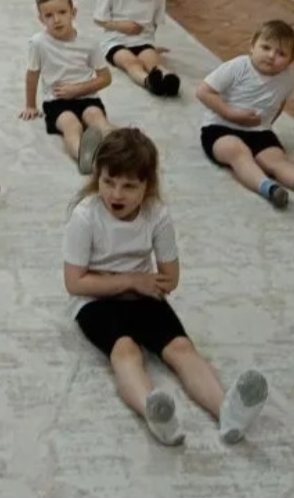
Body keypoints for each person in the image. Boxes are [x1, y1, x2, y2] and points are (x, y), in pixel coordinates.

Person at [63, 128, 269, 446]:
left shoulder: (157, 215)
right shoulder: (85, 216)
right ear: (97, 177)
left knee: (182, 349)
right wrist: (131, 280)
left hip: (143, 295)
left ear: (147, 186)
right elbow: (74, 282)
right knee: (126, 351)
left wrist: (147, 285)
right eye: (108, 182)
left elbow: (171, 277)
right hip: (95, 300)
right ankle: (155, 413)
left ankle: (228, 411)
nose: (116, 194)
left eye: (129, 186)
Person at [196, 19, 294, 208]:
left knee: (276, 158)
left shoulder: (289, 77)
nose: (271, 56)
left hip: (258, 131)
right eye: (266, 48)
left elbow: (280, 102)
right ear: (252, 46)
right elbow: (203, 92)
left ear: (291, 60)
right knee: (238, 152)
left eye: (281, 53)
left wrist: (267, 125)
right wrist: (230, 113)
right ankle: (268, 188)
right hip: (220, 128)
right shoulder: (238, 67)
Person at [20, 0, 114, 174]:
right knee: (71, 125)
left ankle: (121, 150)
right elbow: (32, 75)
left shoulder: (89, 44)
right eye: (49, 15)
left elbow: (105, 78)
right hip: (57, 102)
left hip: (87, 97)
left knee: (97, 118)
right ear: (41, 19)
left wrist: (78, 89)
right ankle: (84, 156)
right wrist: (30, 105)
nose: (56, 20)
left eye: (62, 12)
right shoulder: (38, 43)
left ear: (73, 12)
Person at [93, 0, 180, 96]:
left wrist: (152, 46)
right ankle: (148, 82)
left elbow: (154, 24)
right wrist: (120, 26)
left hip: (142, 41)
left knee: (153, 61)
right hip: (115, 42)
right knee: (132, 62)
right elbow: (99, 19)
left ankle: (168, 80)